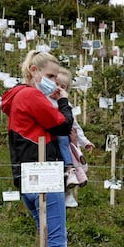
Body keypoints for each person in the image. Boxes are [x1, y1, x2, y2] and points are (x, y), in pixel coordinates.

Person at [1, 50, 73, 247]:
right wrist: (64, 101)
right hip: (45, 176)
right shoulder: (31, 95)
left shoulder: (17, 97)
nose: (54, 82)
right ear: (34, 71)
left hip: (27, 179)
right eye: (51, 76)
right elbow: (62, 125)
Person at [50, 68, 95, 207]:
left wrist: (84, 141)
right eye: (56, 84)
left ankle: (72, 179)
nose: (58, 88)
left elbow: (75, 126)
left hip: (63, 141)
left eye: (62, 87)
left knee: (72, 152)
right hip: (48, 143)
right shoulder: (43, 100)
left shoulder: (66, 105)